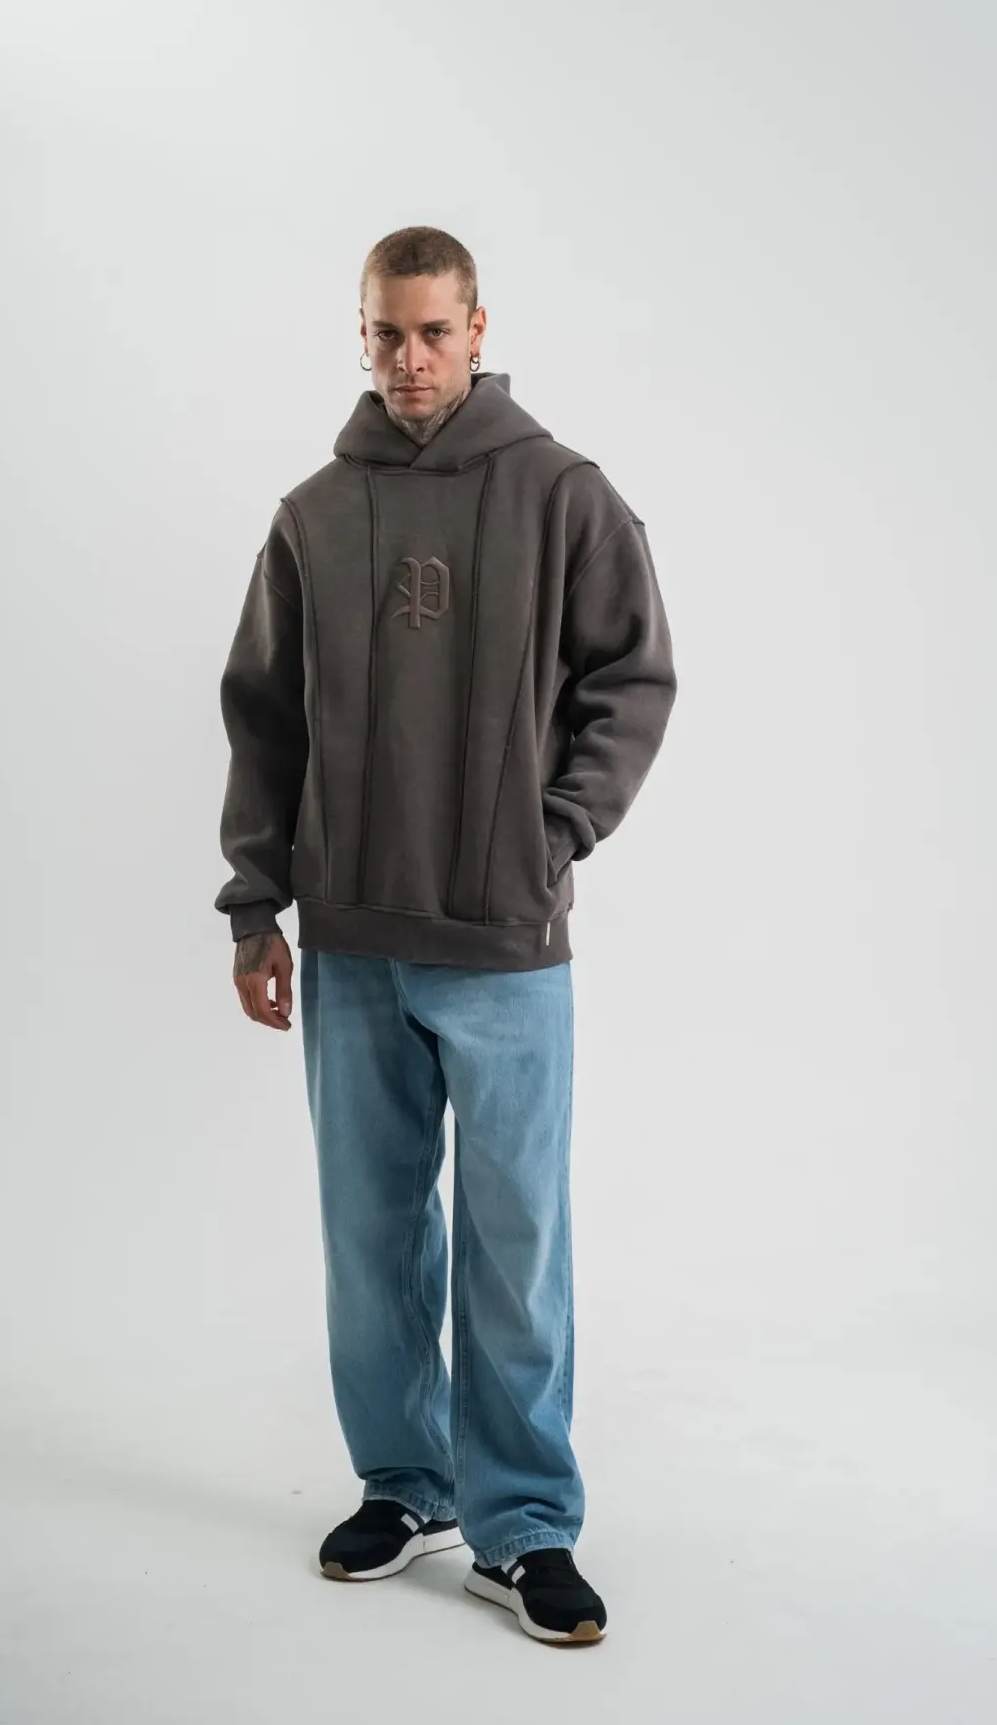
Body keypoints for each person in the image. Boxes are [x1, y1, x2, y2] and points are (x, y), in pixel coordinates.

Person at [214, 225, 676, 1646]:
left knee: (513, 1238)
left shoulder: (563, 495)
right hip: (352, 939)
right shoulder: (312, 514)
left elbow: (632, 677)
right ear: (359, 337)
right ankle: (404, 1485)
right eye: (384, 334)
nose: (408, 360)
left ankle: (524, 1524)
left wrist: (555, 832)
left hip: (505, 940)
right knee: (370, 1235)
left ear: (479, 328)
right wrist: (254, 905)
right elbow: (263, 719)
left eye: (431, 332)